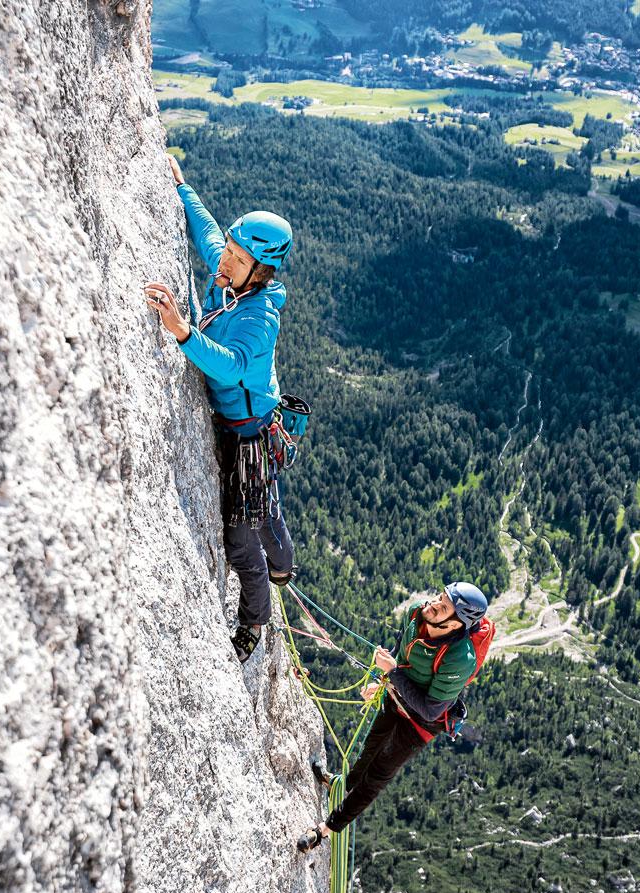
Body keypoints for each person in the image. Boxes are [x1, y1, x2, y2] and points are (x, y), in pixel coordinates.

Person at [144, 153, 296, 662]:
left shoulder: (259, 317)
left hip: (248, 433)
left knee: (239, 534)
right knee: (266, 504)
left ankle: (255, 618)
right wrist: (182, 188)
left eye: (236, 258)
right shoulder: (232, 280)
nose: (224, 262)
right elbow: (208, 233)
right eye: (229, 252)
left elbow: (230, 367)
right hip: (241, 422)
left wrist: (183, 332)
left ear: (261, 271)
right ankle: (284, 562)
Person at [296, 582, 490, 852]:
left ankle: (325, 830)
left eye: (443, 607)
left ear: (456, 625)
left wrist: (393, 674)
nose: (433, 604)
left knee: (378, 775)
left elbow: (431, 709)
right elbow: (403, 656)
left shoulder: (460, 658)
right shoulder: (415, 614)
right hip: (396, 698)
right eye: (439, 597)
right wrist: (383, 680)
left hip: (421, 724)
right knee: (370, 750)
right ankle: (341, 784)